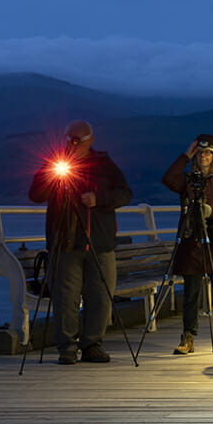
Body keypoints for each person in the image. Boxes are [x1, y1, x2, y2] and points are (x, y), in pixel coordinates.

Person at [28, 120, 133, 365]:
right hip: (65, 242)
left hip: (99, 242)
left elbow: (125, 194)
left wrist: (99, 199)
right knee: (65, 296)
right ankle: (66, 347)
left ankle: (92, 345)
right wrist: (51, 175)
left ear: (90, 140)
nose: (73, 144)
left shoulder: (105, 165)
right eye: (70, 139)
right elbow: (36, 195)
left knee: (99, 296)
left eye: (79, 140)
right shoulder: (54, 163)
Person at [162, 134, 213, 356]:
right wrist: (185, 155)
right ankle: (188, 338)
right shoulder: (187, 179)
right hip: (192, 242)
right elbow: (168, 179)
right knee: (191, 294)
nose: (204, 156)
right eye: (200, 153)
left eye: (208, 152)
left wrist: (211, 211)